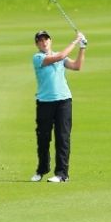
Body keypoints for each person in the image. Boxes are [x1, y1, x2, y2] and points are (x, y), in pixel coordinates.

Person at [30, 29, 87, 183]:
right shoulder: (38, 58)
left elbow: (76, 66)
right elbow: (60, 56)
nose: (44, 42)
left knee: (62, 137)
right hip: (44, 102)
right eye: (40, 40)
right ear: (37, 44)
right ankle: (41, 170)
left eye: (46, 39)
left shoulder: (60, 57)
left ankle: (62, 174)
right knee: (43, 138)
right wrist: (75, 41)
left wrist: (82, 48)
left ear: (50, 40)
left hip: (63, 101)